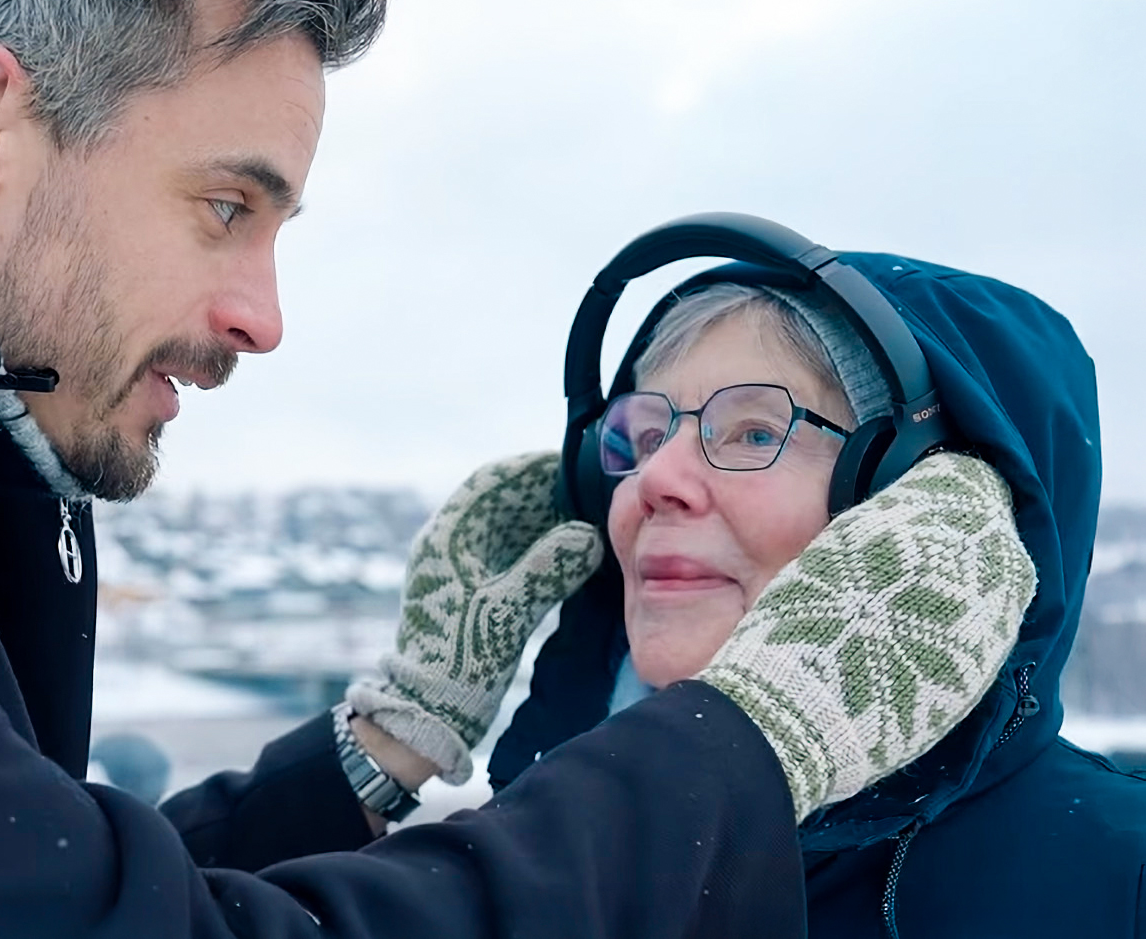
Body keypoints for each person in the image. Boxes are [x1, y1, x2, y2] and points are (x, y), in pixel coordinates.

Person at [0, 1, 1025, 935]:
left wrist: (379, 752)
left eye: (752, 425)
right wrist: (745, 746)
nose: (262, 318)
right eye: (228, 206)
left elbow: (12, 875)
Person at [487, 263, 1146, 936]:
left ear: (929, 505)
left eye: (755, 432)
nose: (654, 479)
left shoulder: (1124, 880)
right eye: (649, 436)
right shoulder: (540, 853)